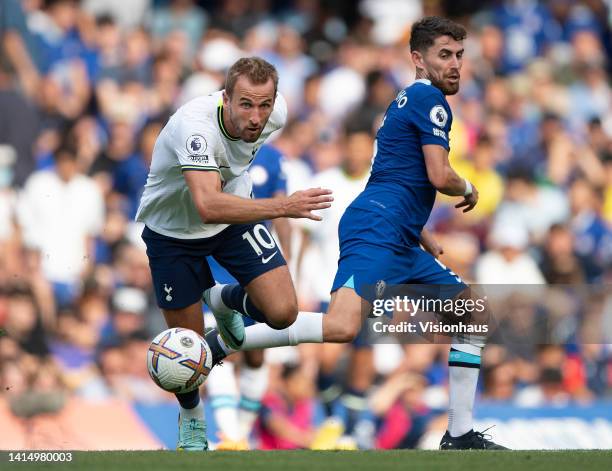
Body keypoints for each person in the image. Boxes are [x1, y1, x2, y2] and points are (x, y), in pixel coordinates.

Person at [204, 17, 508, 450]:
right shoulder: (431, 101)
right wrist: (470, 187)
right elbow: (439, 176)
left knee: (471, 315)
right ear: (418, 59)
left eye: (460, 55)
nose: (455, 64)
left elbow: (394, 175)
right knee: (343, 327)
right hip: (378, 228)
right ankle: (227, 340)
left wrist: (416, 229)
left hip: (394, 229)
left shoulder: (406, 100)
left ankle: (458, 435)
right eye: (445, 55)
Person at [135, 57, 333, 451]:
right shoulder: (194, 127)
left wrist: (275, 207)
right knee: (187, 349)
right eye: (246, 104)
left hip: (234, 222)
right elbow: (208, 204)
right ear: (225, 98)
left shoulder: (277, 114)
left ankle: (224, 301)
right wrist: (283, 206)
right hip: (172, 233)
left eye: (264, 104)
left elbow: (224, 202)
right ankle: (192, 419)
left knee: (282, 312)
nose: (257, 115)